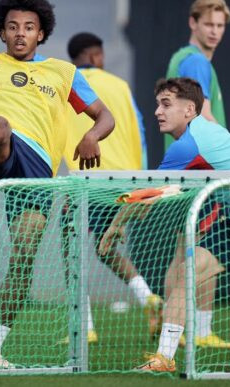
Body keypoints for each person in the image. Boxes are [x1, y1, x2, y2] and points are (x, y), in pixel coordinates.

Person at [0, 0, 115, 369]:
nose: (20, 33)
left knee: (23, 257)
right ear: (1, 33)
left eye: (29, 27)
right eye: (12, 27)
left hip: (38, 174)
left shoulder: (62, 72)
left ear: (42, 34)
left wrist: (91, 135)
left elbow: (104, 116)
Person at [100, 78, 230, 372]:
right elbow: (158, 193)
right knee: (186, 272)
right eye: (157, 104)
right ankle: (164, 358)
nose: (157, 111)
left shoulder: (189, 146)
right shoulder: (193, 137)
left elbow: (148, 195)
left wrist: (113, 229)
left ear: (190, 110)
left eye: (166, 104)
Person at [61, 32, 161, 343]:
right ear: (95, 56)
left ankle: (85, 326)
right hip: (121, 181)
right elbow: (139, 132)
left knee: (70, 251)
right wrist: (141, 185)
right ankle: (149, 298)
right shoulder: (120, 86)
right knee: (107, 250)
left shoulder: (65, 84)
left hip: (84, 179)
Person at [164, 0, 230, 151]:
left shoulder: (181, 57)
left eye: (220, 25)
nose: (214, 31)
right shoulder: (196, 61)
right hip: (198, 169)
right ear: (192, 23)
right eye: (209, 24)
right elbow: (203, 118)